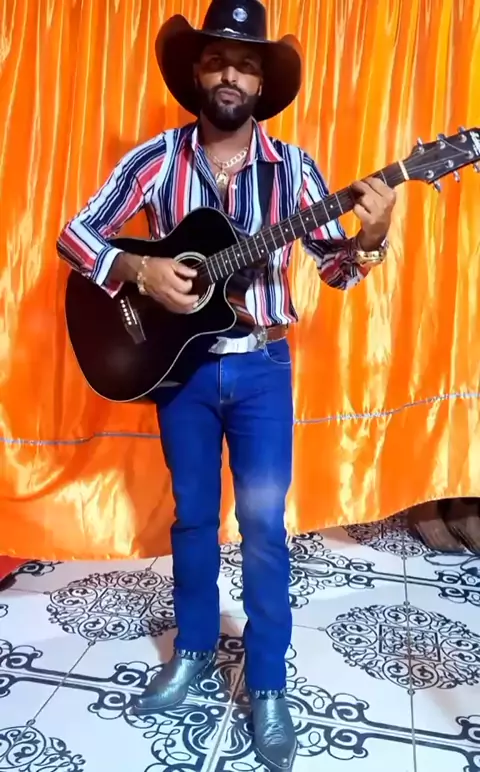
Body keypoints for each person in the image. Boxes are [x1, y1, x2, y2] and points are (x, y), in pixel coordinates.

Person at [57, 0, 396, 768]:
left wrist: (372, 236)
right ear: (197, 73)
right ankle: (192, 652)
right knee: (192, 518)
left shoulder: (295, 169)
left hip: (262, 369)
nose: (231, 74)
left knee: (265, 528)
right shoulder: (156, 159)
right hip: (181, 370)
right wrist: (138, 268)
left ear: (263, 82)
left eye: (246, 63)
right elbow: (74, 237)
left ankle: (268, 684)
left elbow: (337, 271)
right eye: (217, 60)